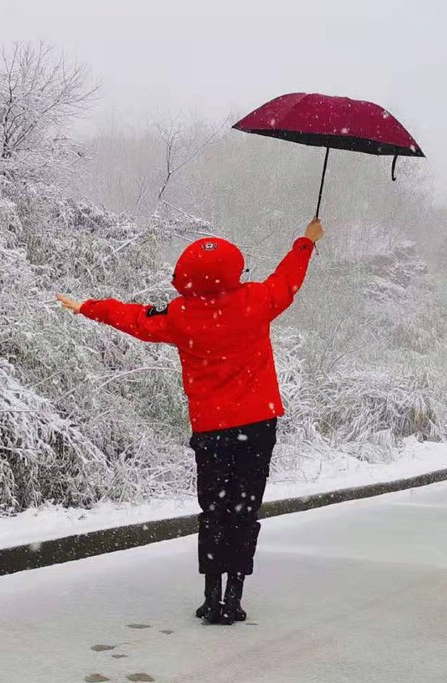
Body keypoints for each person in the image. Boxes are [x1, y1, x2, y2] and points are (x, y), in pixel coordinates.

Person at [56, 218, 324, 625]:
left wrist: (89, 308)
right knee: (243, 509)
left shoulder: (181, 315)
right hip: (257, 424)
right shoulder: (257, 301)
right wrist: (306, 241)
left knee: (213, 509)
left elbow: (135, 318)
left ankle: (210, 598)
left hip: (211, 428)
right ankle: (234, 598)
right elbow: (288, 279)